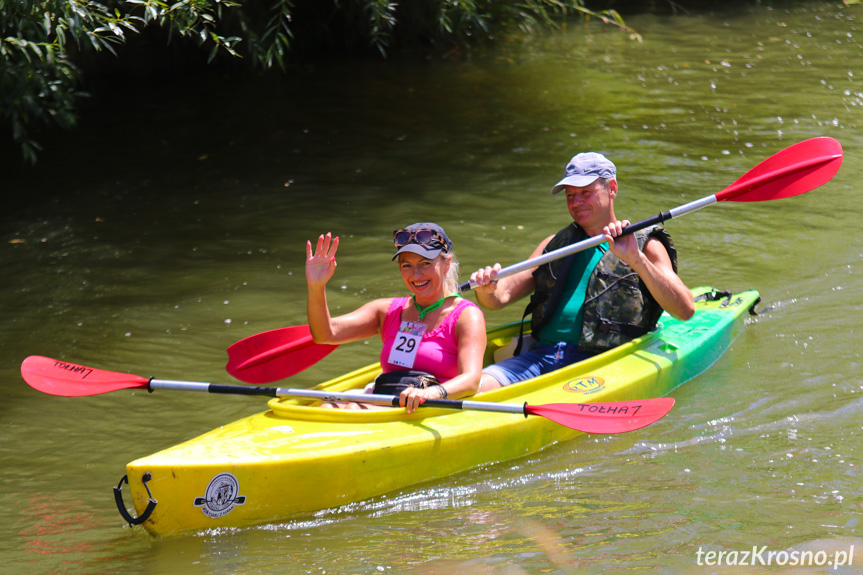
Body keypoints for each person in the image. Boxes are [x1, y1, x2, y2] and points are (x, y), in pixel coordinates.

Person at [470, 152, 695, 391]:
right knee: (475, 388)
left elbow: (684, 310)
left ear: (612, 188)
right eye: (570, 195)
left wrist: (636, 259)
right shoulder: (554, 245)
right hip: (540, 358)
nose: (576, 202)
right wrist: (487, 288)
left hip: (601, 364)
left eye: (586, 192)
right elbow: (499, 298)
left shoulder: (645, 246)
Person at [306, 223, 487, 412]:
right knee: (328, 406)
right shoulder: (387, 311)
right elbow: (325, 334)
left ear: (446, 263)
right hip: (388, 398)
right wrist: (316, 286)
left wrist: (432, 393)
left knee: (353, 410)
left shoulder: (467, 316)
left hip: (432, 406)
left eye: (425, 263)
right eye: (407, 266)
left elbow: (472, 380)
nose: (416, 275)